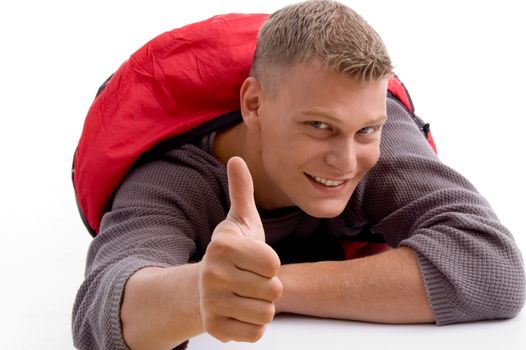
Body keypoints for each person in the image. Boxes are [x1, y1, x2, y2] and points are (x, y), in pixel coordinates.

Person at [72, 1, 525, 349]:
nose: (346, 162)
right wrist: (196, 290)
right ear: (254, 105)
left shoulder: (380, 141)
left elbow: (494, 269)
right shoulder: (175, 175)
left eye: (366, 129)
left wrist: (264, 287)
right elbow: (101, 311)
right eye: (318, 127)